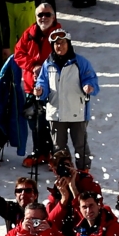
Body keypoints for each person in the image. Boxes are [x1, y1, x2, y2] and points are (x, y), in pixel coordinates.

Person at [35, 30, 99, 172]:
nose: (59, 46)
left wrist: (89, 86)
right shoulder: (48, 64)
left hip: (78, 112)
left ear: (68, 44)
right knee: (59, 147)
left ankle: (83, 172)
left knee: (80, 145)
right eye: (56, 44)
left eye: (62, 43)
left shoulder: (80, 62)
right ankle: (64, 172)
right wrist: (40, 90)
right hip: (55, 113)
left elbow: (92, 79)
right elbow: (42, 82)